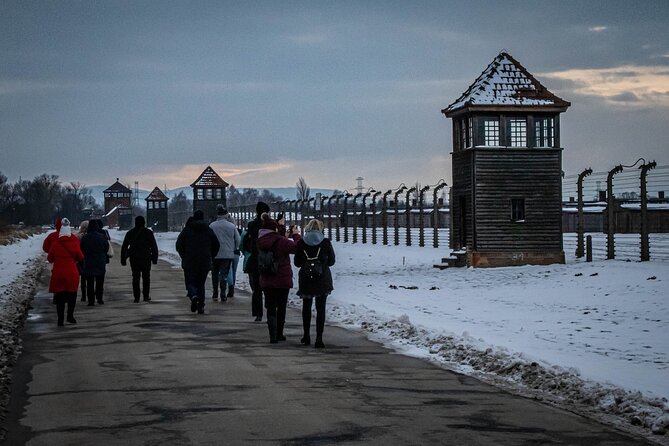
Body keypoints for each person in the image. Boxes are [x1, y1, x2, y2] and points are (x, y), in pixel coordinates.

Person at [256, 212, 301, 343]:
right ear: (274, 228)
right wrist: (296, 235)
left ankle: (272, 335)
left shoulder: (260, 240)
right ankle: (280, 333)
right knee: (281, 307)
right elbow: (296, 247)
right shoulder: (281, 241)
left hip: (266, 277)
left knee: (270, 307)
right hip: (282, 278)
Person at [294, 219, 336, 348]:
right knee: (320, 308)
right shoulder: (325, 242)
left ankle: (306, 335)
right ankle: (319, 338)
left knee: (306, 307)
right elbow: (332, 261)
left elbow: (297, 263)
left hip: (306, 279)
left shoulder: (301, 243)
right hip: (322, 279)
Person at [176, 210, 220, 314]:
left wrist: (184, 256)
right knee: (201, 283)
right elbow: (216, 245)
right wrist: (211, 256)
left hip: (189, 261)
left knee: (190, 282)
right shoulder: (208, 230)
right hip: (204, 261)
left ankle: (193, 295)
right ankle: (201, 305)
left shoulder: (187, 230)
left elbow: (179, 245)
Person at [47, 217, 84, 326]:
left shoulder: (55, 243)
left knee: (60, 297)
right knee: (72, 294)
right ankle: (70, 316)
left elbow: (50, 258)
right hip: (72, 272)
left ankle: (60, 319)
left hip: (58, 272)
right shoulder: (74, 241)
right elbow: (81, 257)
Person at [121, 215, 159, 302]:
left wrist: (123, 259)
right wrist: (154, 258)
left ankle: (136, 297)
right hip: (146, 257)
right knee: (146, 277)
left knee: (135, 277)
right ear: (144, 223)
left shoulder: (130, 233)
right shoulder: (148, 232)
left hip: (134, 258)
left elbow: (124, 246)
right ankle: (146, 296)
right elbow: (154, 246)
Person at [242, 201, 270, 322]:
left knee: (257, 288)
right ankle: (271, 311)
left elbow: (247, 242)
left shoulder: (252, 225)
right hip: (268, 259)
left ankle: (258, 313)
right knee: (269, 288)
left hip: (255, 259)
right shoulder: (270, 225)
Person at [209, 204, 240, 302]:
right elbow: (238, 239)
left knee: (214, 274)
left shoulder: (212, 226)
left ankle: (215, 293)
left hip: (215, 254)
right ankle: (223, 294)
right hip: (227, 254)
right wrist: (234, 247)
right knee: (224, 274)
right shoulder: (231, 226)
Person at [80, 219, 110, 306]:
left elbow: (81, 248)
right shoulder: (102, 237)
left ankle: (91, 300)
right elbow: (106, 248)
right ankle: (99, 298)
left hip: (89, 261)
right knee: (100, 281)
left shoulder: (85, 237)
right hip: (100, 261)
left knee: (89, 282)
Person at [77, 220, 89, 302]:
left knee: (83, 278)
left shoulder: (78, 236)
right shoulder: (89, 236)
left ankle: (84, 295)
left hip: (81, 259)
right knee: (90, 278)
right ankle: (90, 294)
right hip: (90, 258)